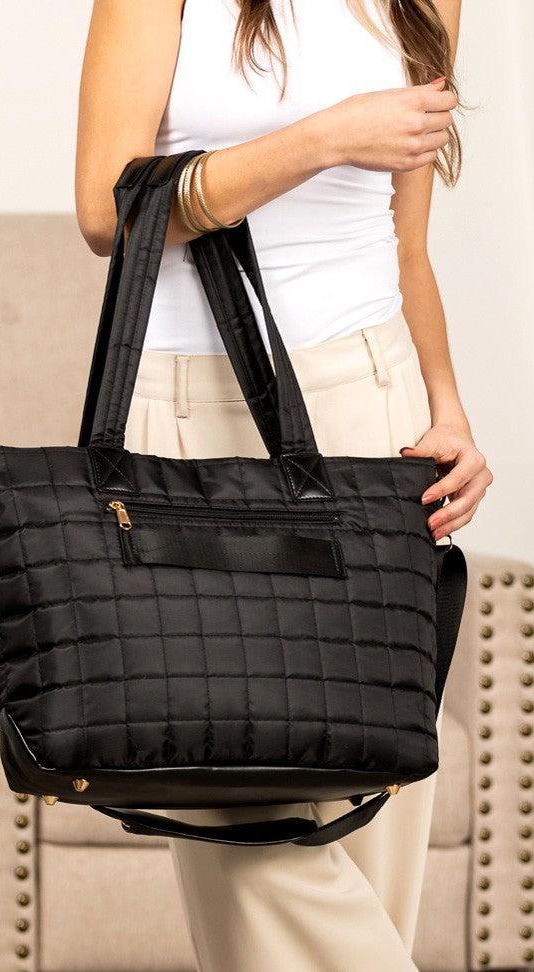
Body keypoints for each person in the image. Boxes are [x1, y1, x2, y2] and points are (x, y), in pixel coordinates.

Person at [75, 2, 492, 969]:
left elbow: (406, 248)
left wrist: (446, 406)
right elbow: (110, 210)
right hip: (190, 414)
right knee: (230, 794)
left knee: (374, 790)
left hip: (372, 401)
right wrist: (321, 139)